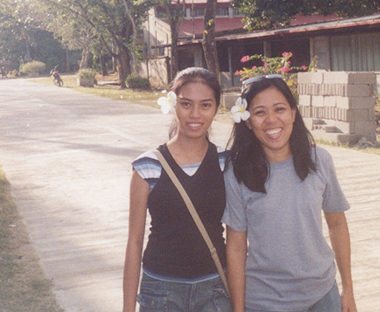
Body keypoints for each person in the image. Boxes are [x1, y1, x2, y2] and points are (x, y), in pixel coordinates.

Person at [223, 75, 356, 312]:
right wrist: (238, 309)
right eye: (260, 112)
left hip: (323, 295)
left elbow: (337, 224)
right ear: (248, 121)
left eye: (280, 109)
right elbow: (235, 246)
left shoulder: (320, 160)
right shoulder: (237, 172)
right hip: (264, 302)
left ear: (293, 113)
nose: (271, 120)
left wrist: (348, 290)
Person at [123, 67, 231, 312]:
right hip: (160, 291)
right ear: (173, 104)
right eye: (186, 104)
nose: (195, 114)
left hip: (215, 290)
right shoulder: (148, 166)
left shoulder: (226, 163)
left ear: (216, 108)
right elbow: (134, 241)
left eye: (205, 105)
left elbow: (237, 238)